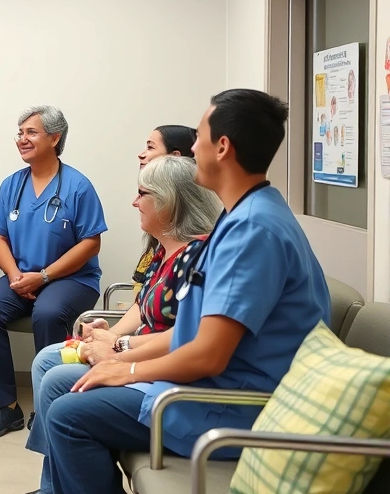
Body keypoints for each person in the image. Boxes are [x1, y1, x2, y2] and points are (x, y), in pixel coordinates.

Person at [37, 89, 332, 494]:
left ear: (223, 147)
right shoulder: (243, 216)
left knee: (70, 412)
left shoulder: (253, 232)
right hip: (209, 387)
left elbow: (208, 353)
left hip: (232, 405)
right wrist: (121, 352)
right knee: (66, 386)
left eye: (200, 137)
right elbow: (194, 332)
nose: (191, 147)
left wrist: (128, 367)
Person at [25, 155, 221, 482]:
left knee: (60, 391)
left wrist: (118, 349)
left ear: (169, 202)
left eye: (143, 194)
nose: (134, 202)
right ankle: (55, 486)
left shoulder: (199, 258)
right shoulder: (162, 250)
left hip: (172, 379)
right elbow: (145, 308)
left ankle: (57, 484)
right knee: (49, 364)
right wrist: (109, 335)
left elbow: (185, 337)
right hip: (149, 362)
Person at [0, 105, 108, 439]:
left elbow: (91, 243)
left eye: (31, 132)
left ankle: (49, 406)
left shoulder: (78, 185)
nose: (22, 139)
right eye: (20, 133)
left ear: (55, 137)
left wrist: (44, 276)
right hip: (21, 275)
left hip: (71, 279)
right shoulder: (12, 185)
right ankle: (7, 407)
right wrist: (16, 274)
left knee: (46, 314)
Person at [129, 125, 198, 299]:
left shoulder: (192, 250)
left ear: (175, 158)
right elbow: (141, 299)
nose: (141, 154)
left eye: (151, 147)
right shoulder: (160, 250)